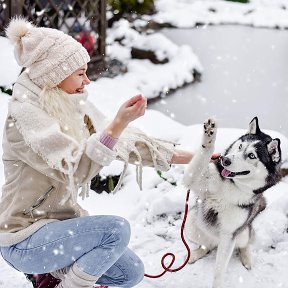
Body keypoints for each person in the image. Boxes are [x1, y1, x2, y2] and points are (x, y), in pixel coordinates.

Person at [0, 18, 194, 288]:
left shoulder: (67, 103)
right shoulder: (25, 120)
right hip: (24, 238)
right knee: (116, 230)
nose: (87, 81)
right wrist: (117, 125)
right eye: (80, 73)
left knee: (131, 272)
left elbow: (121, 141)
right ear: (54, 75)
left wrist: (191, 158)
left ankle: (49, 275)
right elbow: (76, 169)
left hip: (58, 231)